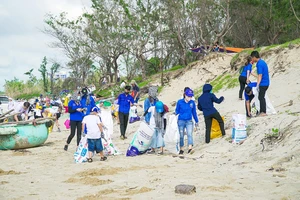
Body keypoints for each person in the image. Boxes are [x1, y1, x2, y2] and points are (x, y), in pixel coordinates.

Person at [175, 88, 199, 154]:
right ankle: (181, 149)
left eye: (191, 96)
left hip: (189, 121)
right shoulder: (179, 102)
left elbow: (194, 112)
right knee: (181, 135)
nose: (190, 98)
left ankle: (190, 148)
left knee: (189, 134)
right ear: (185, 95)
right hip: (181, 121)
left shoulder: (192, 103)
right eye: (188, 96)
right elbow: (176, 111)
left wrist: (197, 121)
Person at [251, 51, 270, 116]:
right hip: (266, 82)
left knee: (261, 97)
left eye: (252, 58)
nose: (252, 59)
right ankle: (262, 111)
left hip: (263, 83)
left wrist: (258, 84)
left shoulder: (259, 64)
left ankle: (263, 112)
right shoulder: (262, 62)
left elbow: (260, 75)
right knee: (261, 97)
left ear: (254, 57)